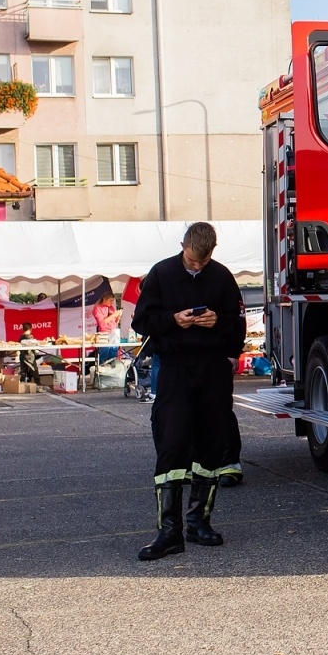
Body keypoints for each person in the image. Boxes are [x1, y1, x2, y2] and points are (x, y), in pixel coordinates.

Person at [131, 223, 245, 560]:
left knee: (211, 445)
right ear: (183, 246)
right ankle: (169, 532)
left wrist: (218, 322)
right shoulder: (162, 273)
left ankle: (199, 522)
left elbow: (237, 325)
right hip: (175, 367)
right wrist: (173, 319)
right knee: (171, 444)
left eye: (203, 262)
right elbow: (142, 321)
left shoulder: (222, 277)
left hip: (212, 369)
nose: (197, 267)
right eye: (193, 261)